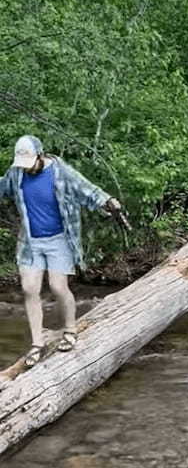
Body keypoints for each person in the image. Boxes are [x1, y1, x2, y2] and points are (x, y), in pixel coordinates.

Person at [0, 135, 124, 368]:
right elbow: (2, 187)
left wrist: (108, 200)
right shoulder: (16, 173)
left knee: (58, 287)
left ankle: (70, 330)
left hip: (60, 240)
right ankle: (37, 343)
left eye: (30, 164)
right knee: (29, 289)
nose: (26, 169)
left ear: (40, 155)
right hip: (30, 241)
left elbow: (87, 189)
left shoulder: (60, 171)